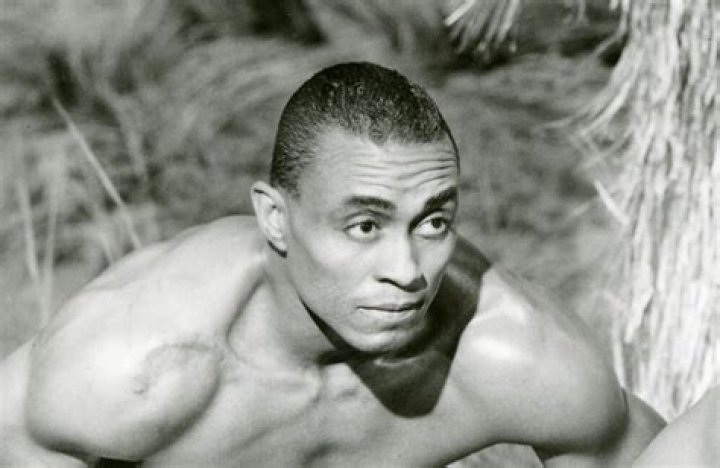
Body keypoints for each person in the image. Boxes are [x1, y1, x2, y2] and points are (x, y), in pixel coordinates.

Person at [0, 62, 665, 467]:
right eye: (365, 225)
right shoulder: (131, 373)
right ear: (275, 218)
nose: (407, 269)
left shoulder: (513, 356)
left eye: (433, 222)